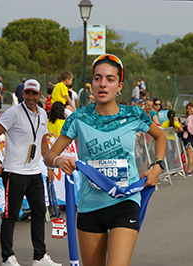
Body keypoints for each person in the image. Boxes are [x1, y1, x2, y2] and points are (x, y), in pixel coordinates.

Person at [44, 54, 167, 266]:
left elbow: (161, 136)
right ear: (91, 83)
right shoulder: (79, 117)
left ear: (119, 86)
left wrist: (157, 165)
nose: (102, 84)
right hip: (90, 206)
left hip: (125, 201)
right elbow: (49, 156)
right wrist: (59, 161)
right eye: (97, 78)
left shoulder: (134, 114)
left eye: (110, 79)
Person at [0, 79, 61, 266]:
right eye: (27, 93)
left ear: (39, 95)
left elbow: (43, 142)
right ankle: (7, 257)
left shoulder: (43, 114)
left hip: (35, 172)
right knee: (11, 215)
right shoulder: (13, 113)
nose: (30, 97)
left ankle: (39, 257)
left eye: (34, 94)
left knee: (38, 213)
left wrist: (50, 167)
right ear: (22, 94)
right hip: (14, 171)